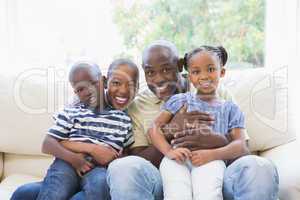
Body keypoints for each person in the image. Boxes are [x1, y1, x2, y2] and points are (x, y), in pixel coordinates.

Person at [106, 40, 279, 200]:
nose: (158, 79)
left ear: (181, 66)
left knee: (260, 166)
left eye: (166, 69)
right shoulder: (140, 105)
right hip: (166, 175)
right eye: (150, 72)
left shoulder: (219, 94)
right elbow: (140, 159)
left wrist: (214, 143)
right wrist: (171, 131)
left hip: (215, 169)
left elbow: (243, 148)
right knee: (123, 167)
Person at [11, 58, 139, 200]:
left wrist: (117, 158)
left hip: (99, 170)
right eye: (80, 89)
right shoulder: (73, 112)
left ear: (103, 81)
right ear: (75, 92)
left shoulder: (123, 118)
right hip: (69, 163)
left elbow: (125, 152)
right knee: (51, 190)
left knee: (101, 184)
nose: (88, 91)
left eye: (92, 83)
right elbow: (47, 144)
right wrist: (75, 160)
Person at [149, 45, 249, 200]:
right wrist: (169, 151)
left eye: (210, 69)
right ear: (189, 76)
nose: (204, 76)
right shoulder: (179, 100)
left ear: (222, 72)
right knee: (176, 194)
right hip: (177, 159)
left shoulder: (230, 108)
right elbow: (154, 128)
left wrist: (212, 154)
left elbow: (241, 145)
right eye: (196, 72)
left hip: (211, 159)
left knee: (208, 194)